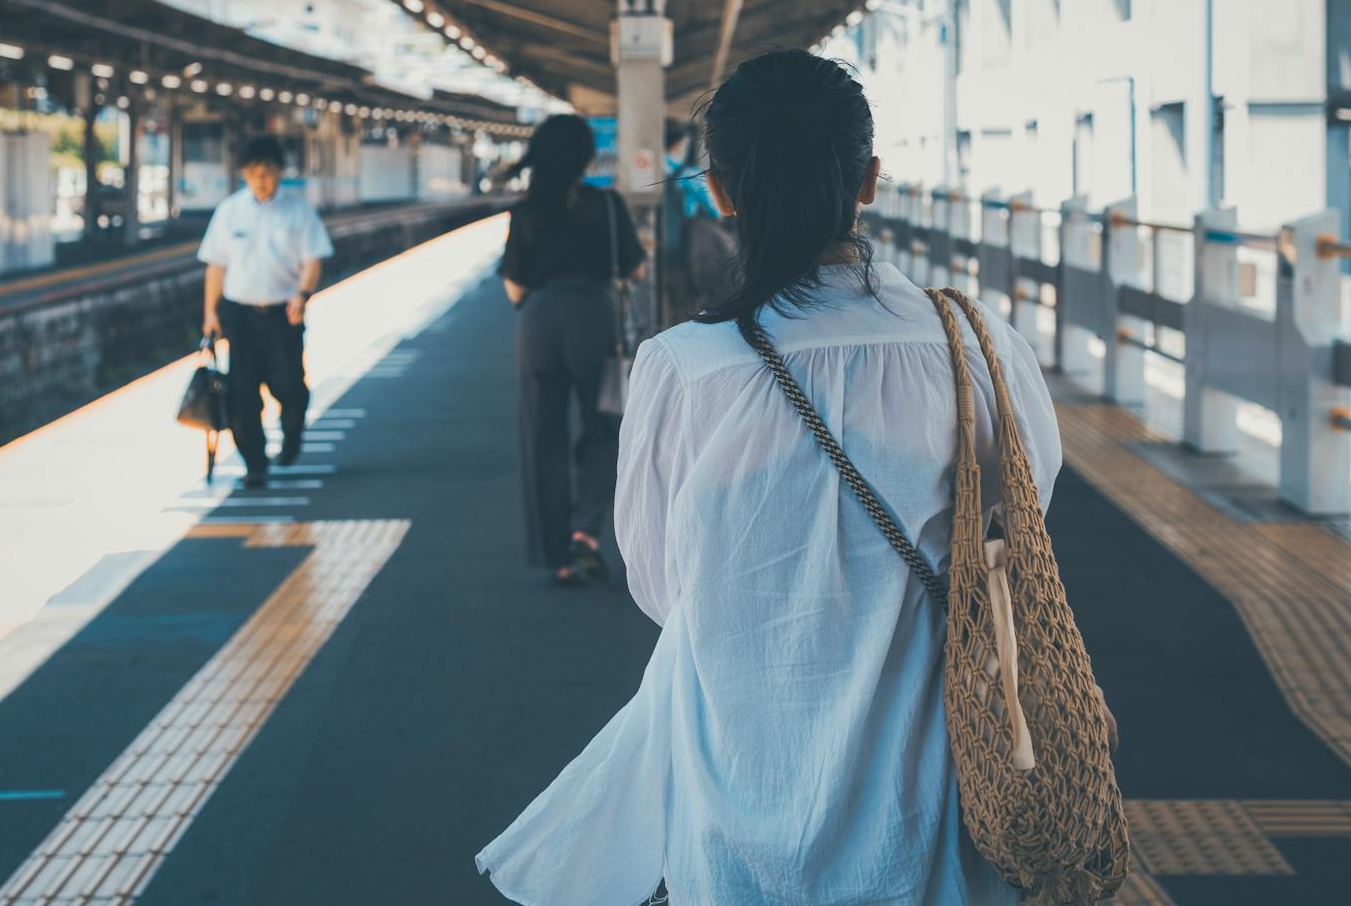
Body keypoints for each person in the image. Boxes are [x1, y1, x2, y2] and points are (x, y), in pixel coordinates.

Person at [478, 50, 1064, 904]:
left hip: (736, 794)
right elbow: (1023, 516)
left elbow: (657, 581)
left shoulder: (683, 369)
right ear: (869, 180)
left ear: (720, 191)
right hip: (937, 793)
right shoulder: (975, 347)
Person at [500, 115, 647, 587]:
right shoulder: (607, 206)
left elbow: (515, 290)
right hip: (596, 322)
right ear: (587, 158)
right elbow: (636, 271)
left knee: (541, 435)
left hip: (539, 324)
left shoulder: (525, 212)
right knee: (605, 424)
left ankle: (555, 552)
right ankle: (586, 533)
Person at [198, 135, 332, 488]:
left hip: (283, 315)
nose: (261, 179)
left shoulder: (299, 211)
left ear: (281, 172)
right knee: (241, 395)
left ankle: (292, 432)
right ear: (243, 173)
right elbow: (216, 266)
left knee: (288, 387)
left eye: (268, 172)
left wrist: (303, 295)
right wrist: (210, 314)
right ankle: (255, 464)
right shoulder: (229, 212)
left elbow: (312, 259)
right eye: (254, 172)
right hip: (239, 318)